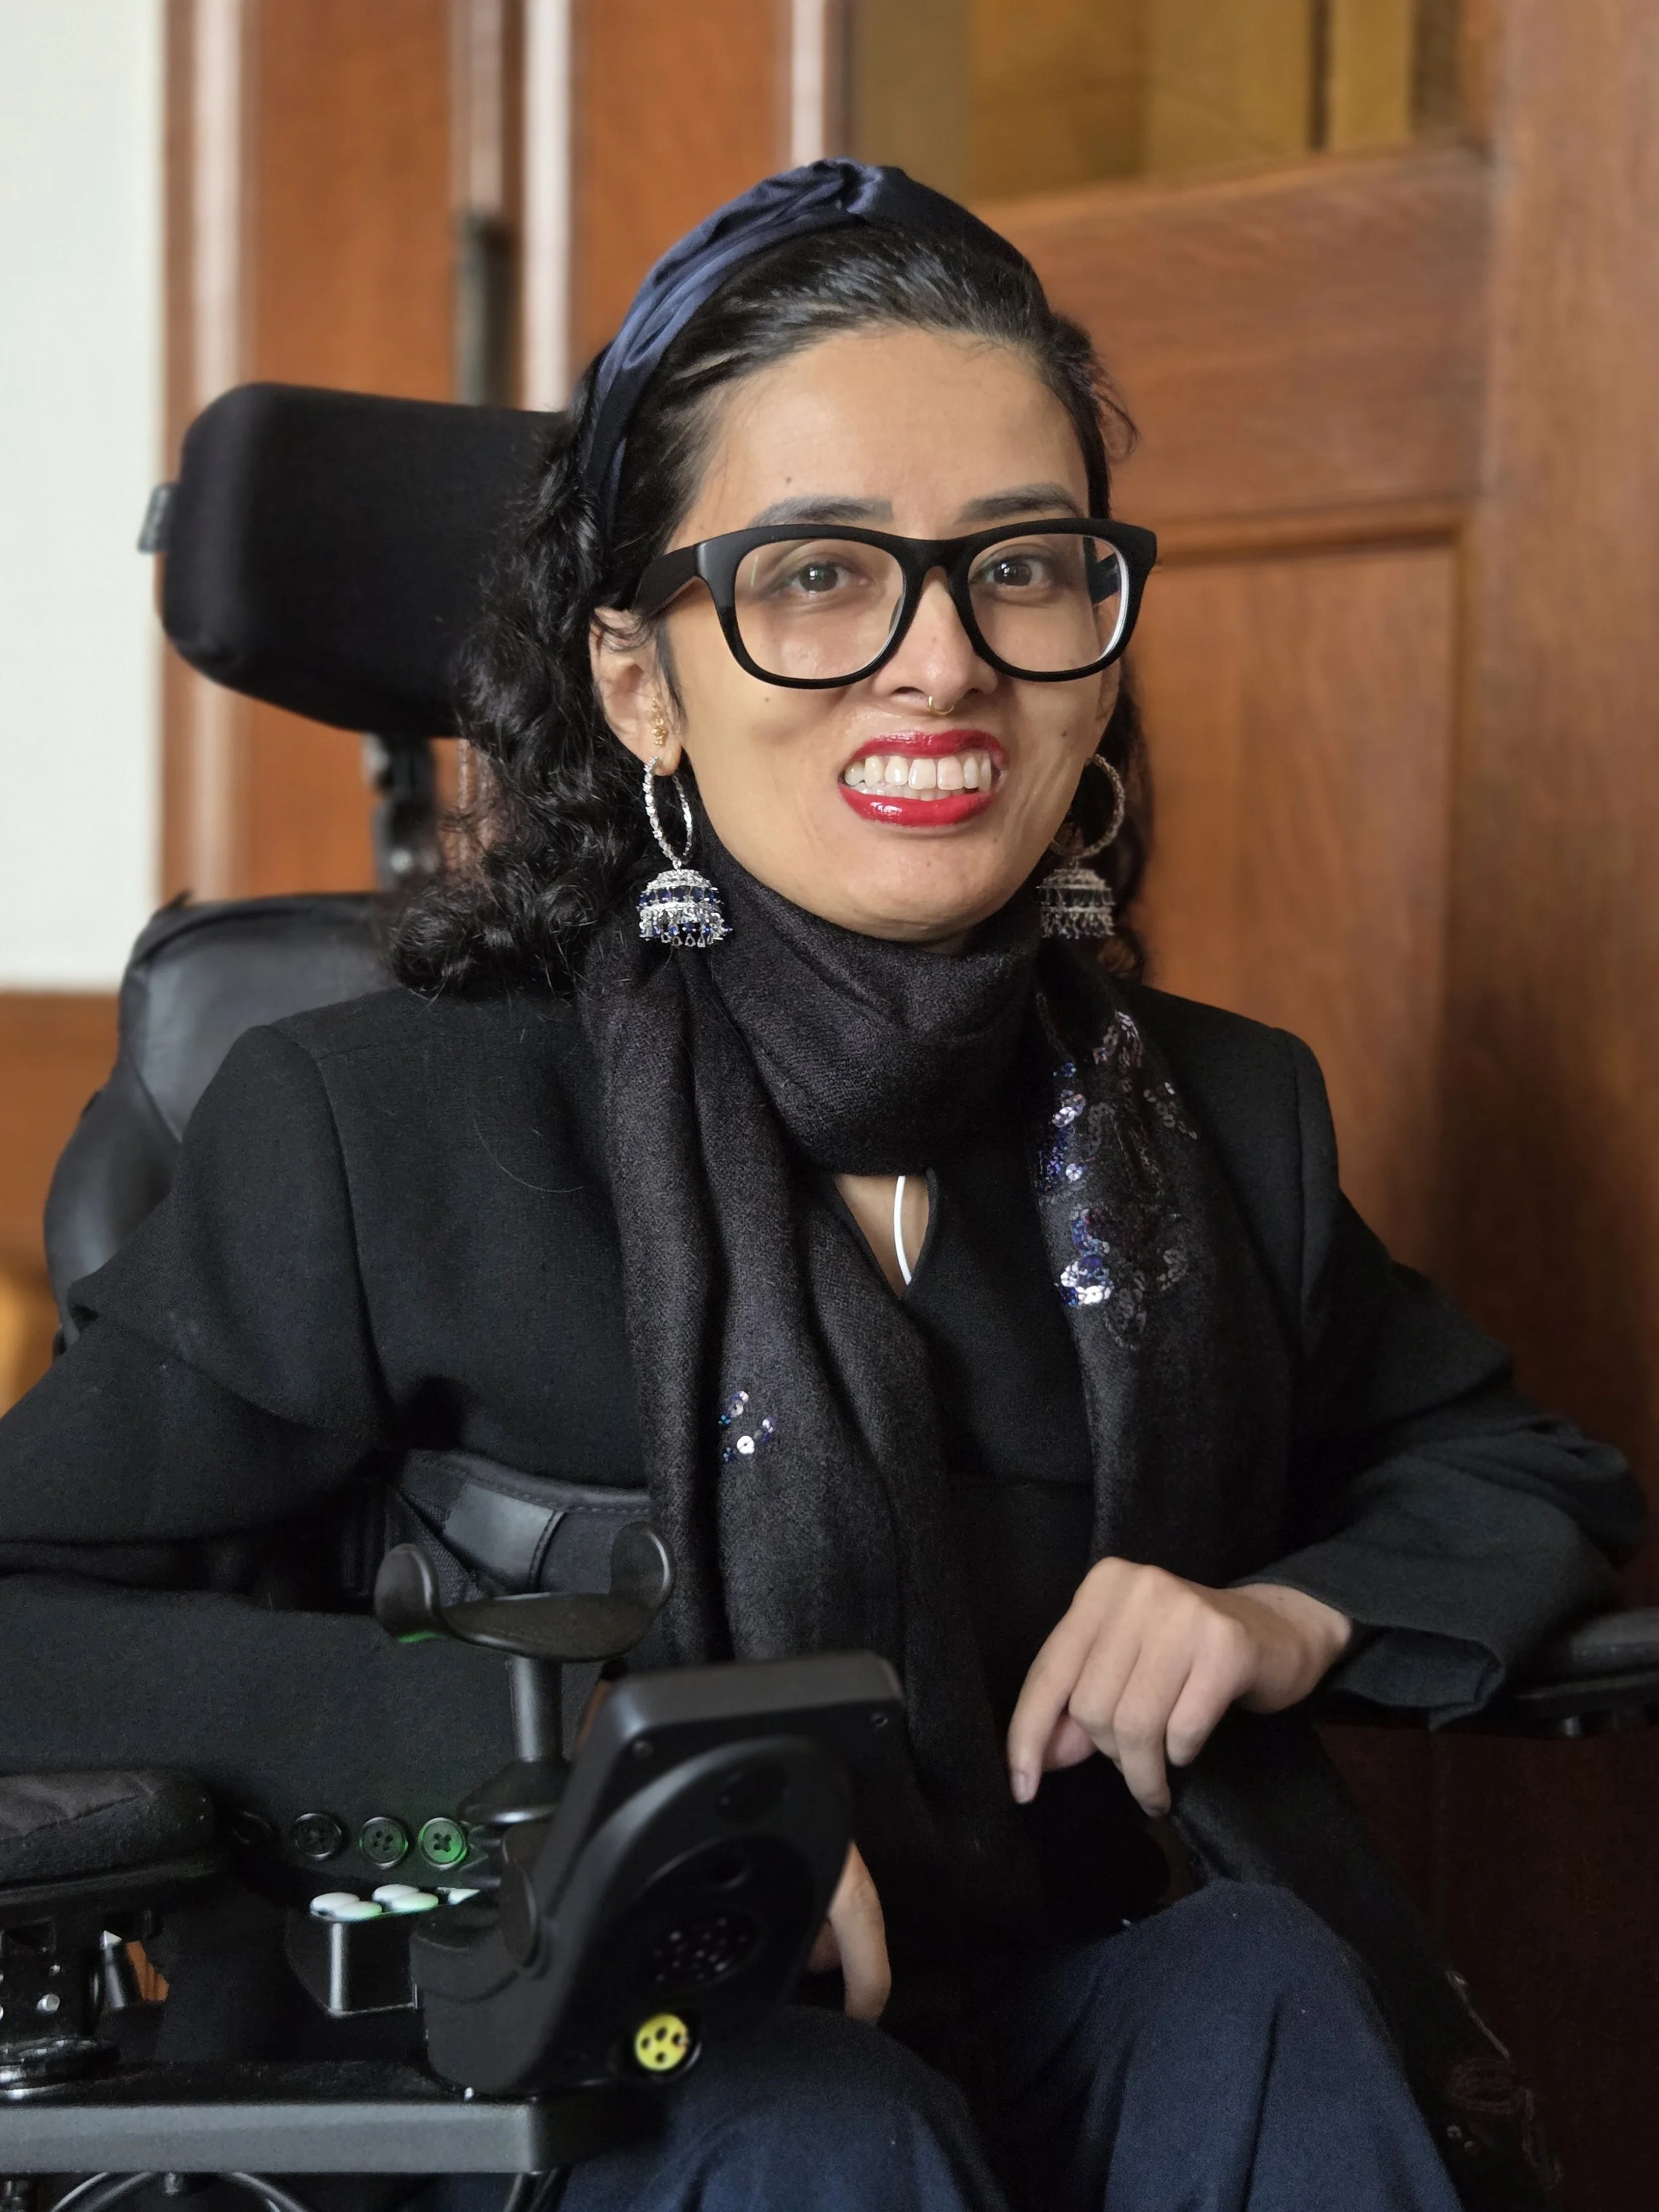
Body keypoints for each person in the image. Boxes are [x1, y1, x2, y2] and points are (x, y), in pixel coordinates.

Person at [0, 163, 1644, 2211]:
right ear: (638, 677)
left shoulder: (1220, 1121)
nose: (940, 663)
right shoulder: (374, 1128)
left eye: (1021, 567)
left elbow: (1517, 1469)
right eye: (812, 576)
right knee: (801, 2118)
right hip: (562, 2083)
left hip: (1043, 2025)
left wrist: (1279, 1606)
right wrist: (604, 1780)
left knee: (1260, 1984)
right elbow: (26, 1619)